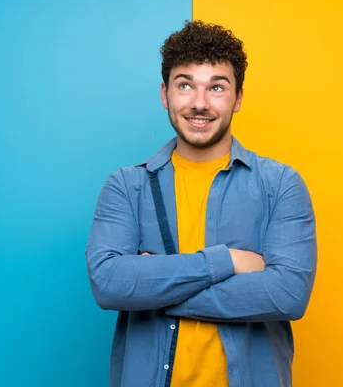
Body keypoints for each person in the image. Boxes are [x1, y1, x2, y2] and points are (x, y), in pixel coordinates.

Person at [86, 20, 317, 387]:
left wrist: (154, 287)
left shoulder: (281, 186)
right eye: (185, 85)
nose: (199, 102)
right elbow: (110, 284)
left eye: (217, 87)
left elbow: (287, 295)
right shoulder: (126, 187)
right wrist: (228, 260)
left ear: (238, 98)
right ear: (165, 94)